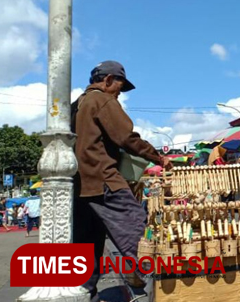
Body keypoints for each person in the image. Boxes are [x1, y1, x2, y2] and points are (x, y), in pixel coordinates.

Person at [71, 60, 172, 301]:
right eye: (119, 86)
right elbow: (127, 138)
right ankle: (168, 286)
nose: (119, 94)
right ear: (107, 81)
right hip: (104, 180)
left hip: (82, 185)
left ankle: (85, 293)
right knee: (137, 229)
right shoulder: (102, 100)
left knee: (88, 245)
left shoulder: (76, 105)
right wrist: (157, 157)